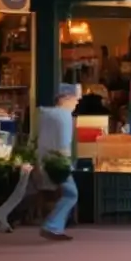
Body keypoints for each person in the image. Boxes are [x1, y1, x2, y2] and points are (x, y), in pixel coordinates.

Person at [36, 88, 81, 241]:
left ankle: (55, 226)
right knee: (71, 194)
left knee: (63, 193)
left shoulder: (46, 115)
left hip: (44, 159)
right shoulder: (65, 116)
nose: (77, 102)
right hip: (58, 160)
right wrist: (66, 160)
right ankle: (52, 226)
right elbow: (64, 141)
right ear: (65, 98)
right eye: (75, 99)